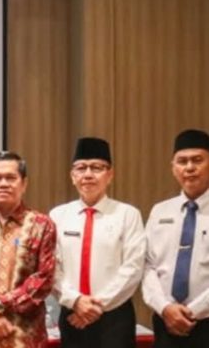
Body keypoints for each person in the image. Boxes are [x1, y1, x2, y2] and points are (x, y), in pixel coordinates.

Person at [51, 137, 146, 347]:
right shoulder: (58, 215)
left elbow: (133, 267)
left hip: (115, 318)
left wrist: (96, 306)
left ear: (110, 175)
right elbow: (52, 267)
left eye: (96, 168)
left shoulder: (128, 214)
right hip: (72, 314)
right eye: (81, 168)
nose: (88, 174)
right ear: (72, 176)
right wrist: (76, 301)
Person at [0, 151, 56, 348]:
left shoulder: (41, 225)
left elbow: (44, 279)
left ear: (24, 183)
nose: (3, 183)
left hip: (24, 335)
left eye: (11, 178)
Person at [143, 129, 209, 347]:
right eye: (182, 161)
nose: (189, 167)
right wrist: (165, 308)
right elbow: (147, 266)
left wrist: (193, 312)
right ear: (173, 168)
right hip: (165, 321)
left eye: (197, 160)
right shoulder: (160, 211)